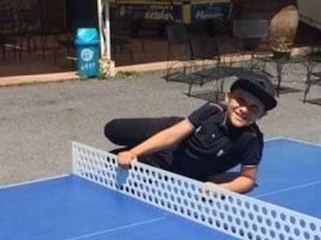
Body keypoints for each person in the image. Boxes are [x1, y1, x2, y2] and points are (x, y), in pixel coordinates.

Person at [104, 73, 278, 194]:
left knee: (110, 161)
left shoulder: (252, 140)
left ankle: (134, 152)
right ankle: (136, 147)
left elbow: (248, 178)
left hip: (170, 163)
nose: (244, 109)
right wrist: (133, 152)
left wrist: (223, 189)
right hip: (174, 130)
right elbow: (172, 136)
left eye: (254, 108)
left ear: (262, 115)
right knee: (113, 129)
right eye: (240, 100)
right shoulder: (212, 109)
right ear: (227, 97)